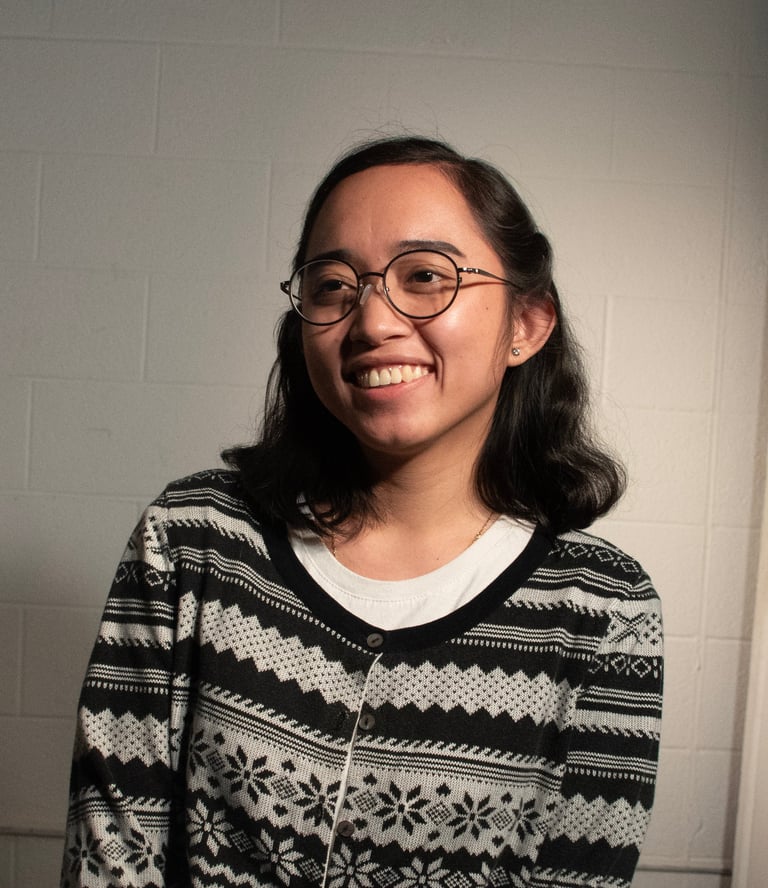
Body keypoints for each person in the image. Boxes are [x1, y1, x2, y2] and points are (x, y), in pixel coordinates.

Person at [61, 136, 662, 888]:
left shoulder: (604, 610)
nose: (372, 321)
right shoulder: (193, 543)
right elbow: (109, 853)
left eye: (424, 277)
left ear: (526, 324)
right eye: (333, 286)